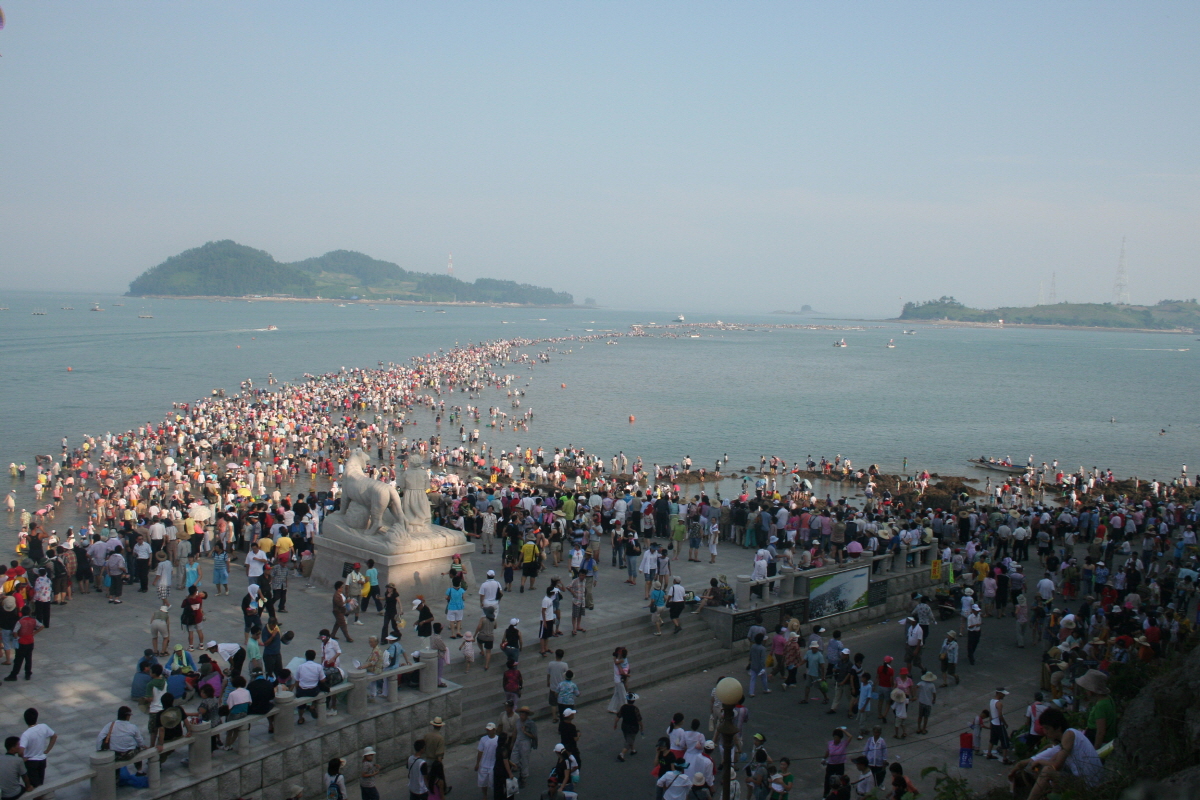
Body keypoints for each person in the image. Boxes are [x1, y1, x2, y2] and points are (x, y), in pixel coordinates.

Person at [1008, 707, 1103, 800]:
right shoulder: (1063, 744)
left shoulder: (1069, 734)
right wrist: (1020, 766)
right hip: (1085, 782)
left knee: (1047, 771)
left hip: (1088, 785)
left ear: (1058, 728)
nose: (1045, 732)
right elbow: (1040, 758)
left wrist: (1040, 762)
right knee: (1046, 770)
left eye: (1047, 728)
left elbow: (1056, 765)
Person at [16, 710, 54, 788]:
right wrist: (47, 750)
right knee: (40, 783)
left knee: (35, 786)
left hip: (31, 762)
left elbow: (20, 751)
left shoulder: (26, 734)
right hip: (42, 759)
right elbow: (54, 736)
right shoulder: (44, 726)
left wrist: (22, 759)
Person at [5, 609, 42, 682]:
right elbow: (41, 626)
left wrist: (17, 638)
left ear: (21, 613)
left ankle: (14, 675)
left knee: (18, 659)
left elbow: (15, 631)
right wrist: (34, 633)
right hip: (30, 641)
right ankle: (28, 674)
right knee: (28, 658)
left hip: (22, 642)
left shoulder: (20, 622)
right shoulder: (33, 620)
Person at [512, 706, 538, 788]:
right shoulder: (517, 721)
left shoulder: (531, 723)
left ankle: (524, 777)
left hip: (525, 742)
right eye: (521, 713)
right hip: (517, 741)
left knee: (525, 760)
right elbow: (515, 732)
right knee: (513, 759)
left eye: (523, 714)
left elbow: (534, 736)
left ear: (527, 715)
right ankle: (520, 768)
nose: (522, 715)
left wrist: (525, 732)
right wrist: (512, 742)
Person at [987, 688, 1014, 764]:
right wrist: (1005, 724)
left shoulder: (991, 701)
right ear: (999, 694)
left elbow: (991, 714)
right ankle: (1005, 759)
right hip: (999, 725)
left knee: (992, 739)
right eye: (1003, 694)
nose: (1004, 696)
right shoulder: (999, 704)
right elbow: (1000, 716)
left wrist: (990, 722)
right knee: (1005, 741)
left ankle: (989, 753)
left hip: (993, 723)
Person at [615, 692, 643, 761]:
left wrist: (615, 724)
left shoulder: (623, 707)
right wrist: (641, 727)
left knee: (628, 738)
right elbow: (639, 719)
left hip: (624, 726)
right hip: (633, 727)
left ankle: (633, 750)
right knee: (630, 740)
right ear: (633, 701)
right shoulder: (635, 709)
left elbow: (618, 717)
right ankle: (621, 754)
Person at [475, 723, 500, 800]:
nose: (488, 732)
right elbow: (480, 752)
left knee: (493, 782)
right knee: (483, 782)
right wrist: (477, 764)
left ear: (494, 730)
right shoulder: (483, 739)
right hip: (484, 765)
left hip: (493, 765)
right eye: (487, 730)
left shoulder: (498, 739)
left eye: (490, 730)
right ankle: (485, 795)